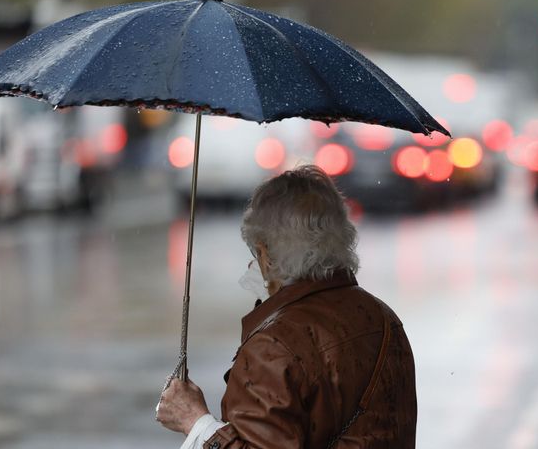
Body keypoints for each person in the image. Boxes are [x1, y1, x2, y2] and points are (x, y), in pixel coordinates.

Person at [156, 165, 418, 448]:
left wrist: (196, 423)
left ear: (266, 255)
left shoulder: (273, 347)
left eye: (256, 253)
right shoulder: (383, 318)